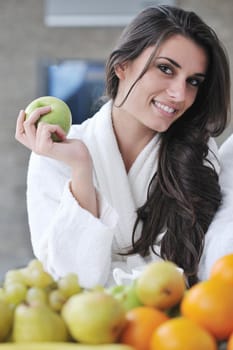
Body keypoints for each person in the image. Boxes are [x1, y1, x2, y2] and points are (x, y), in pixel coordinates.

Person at [15, 5, 231, 288]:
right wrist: (81, 169)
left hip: (169, 328)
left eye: (193, 82)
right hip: (88, 327)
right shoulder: (57, 155)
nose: (180, 94)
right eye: (166, 69)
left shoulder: (197, 155)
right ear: (122, 66)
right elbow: (69, 279)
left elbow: (196, 272)